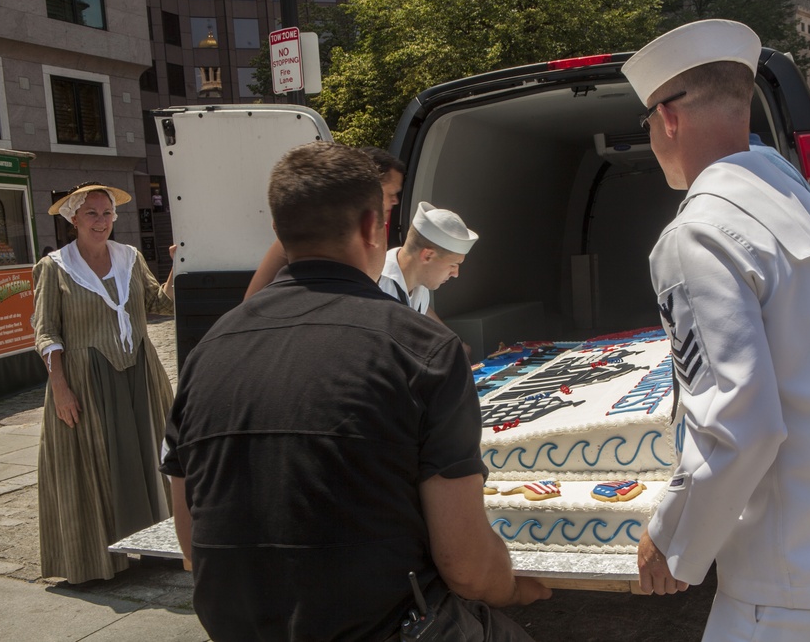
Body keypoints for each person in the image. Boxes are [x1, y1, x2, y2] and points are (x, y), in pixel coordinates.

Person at [160, 142, 548, 641]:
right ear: (372, 228)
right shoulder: (422, 351)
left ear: (278, 232)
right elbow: (467, 566)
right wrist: (515, 591)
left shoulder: (207, 352)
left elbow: (192, 541)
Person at [622, 20, 810, 640]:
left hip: (789, 575)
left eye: (646, 123)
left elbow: (738, 423)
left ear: (668, 118)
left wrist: (670, 539)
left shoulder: (699, 232)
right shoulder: (797, 202)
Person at [33, 182, 176, 584]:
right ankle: (96, 561)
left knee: (150, 456)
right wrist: (60, 387)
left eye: (107, 213)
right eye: (92, 213)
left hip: (138, 371)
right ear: (73, 218)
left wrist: (177, 266)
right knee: (93, 465)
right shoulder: (54, 267)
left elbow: (159, 305)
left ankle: (158, 544)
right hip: (84, 378)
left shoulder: (129, 257)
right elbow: (45, 331)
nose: (101, 221)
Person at [242, 146, 405, 299]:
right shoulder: (314, 229)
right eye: (392, 192)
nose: (395, 200)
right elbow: (254, 298)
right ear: (370, 184)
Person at [378, 201, 477, 329]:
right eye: (453, 265)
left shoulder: (421, 285)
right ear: (427, 256)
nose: (456, 274)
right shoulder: (375, 286)